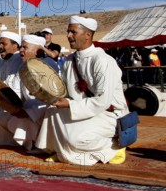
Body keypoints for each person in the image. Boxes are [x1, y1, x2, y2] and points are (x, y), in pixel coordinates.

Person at [36, 16, 129, 165]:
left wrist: (69, 105)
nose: (68, 36)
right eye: (68, 31)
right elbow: (63, 88)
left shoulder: (102, 61)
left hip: (109, 114)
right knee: (51, 112)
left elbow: (103, 101)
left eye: (73, 32)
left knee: (77, 139)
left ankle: (112, 147)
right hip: (82, 110)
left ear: (87, 35)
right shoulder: (69, 60)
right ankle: (62, 152)